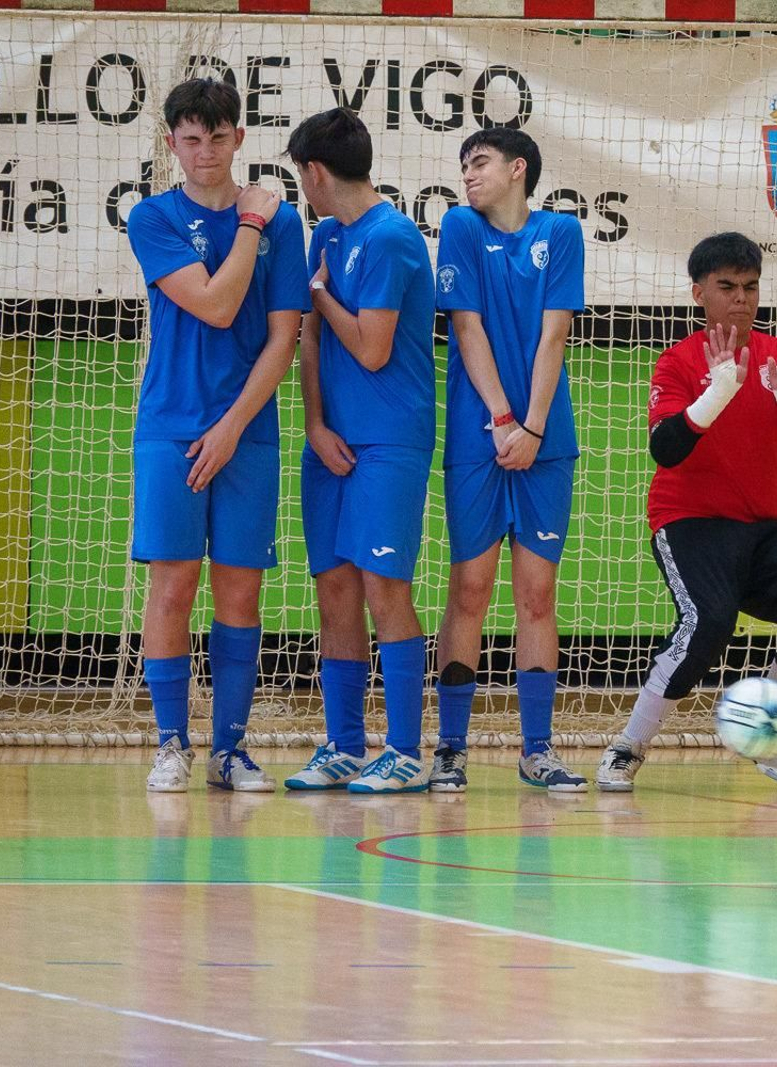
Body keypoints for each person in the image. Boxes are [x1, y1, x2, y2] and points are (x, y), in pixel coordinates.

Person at [595, 232, 777, 792]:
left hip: (764, 529)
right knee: (708, 624)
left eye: (750, 287)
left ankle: (763, 727)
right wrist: (713, 395)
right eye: (727, 287)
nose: (741, 298)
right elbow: (666, 449)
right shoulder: (678, 362)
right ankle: (628, 746)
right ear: (699, 293)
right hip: (690, 522)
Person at [128, 78, 308, 794]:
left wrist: (234, 426)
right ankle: (170, 742)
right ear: (173, 143)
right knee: (172, 587)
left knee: (240, 594)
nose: (206, 152)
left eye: (218, 136)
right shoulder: (153, 217)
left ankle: (229, 749)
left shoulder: (285, 221)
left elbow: (283, 336)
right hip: (170, 427)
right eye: (191, 139)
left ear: (239, 137)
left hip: (249, 434)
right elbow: (213, 301)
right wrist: (249, 225)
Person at [279, 108, 437, 795]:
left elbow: (371, 348)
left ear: (315, 172)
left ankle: (404, 750)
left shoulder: (394, 237)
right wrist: (314, 422)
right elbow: (310, 339)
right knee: (334, 589)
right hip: (333, 439)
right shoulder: (326, 235)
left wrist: (318, 293)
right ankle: (344, 744)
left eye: (299, 176)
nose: (302, 190)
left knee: (383, 588)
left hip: (389, 438)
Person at [430, 128, 588, 792]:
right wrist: (502, 420)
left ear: (519, 168)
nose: (468, 174)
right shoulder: (461, 227)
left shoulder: (563, 231)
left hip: (545, 439)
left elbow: (555, 334)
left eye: (480, 162)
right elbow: (467, 327)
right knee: (469, 589)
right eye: (463, 164)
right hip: (479, 437)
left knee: (538, 594)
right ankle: (451, 748)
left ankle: (537, 749)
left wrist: (533, 427)